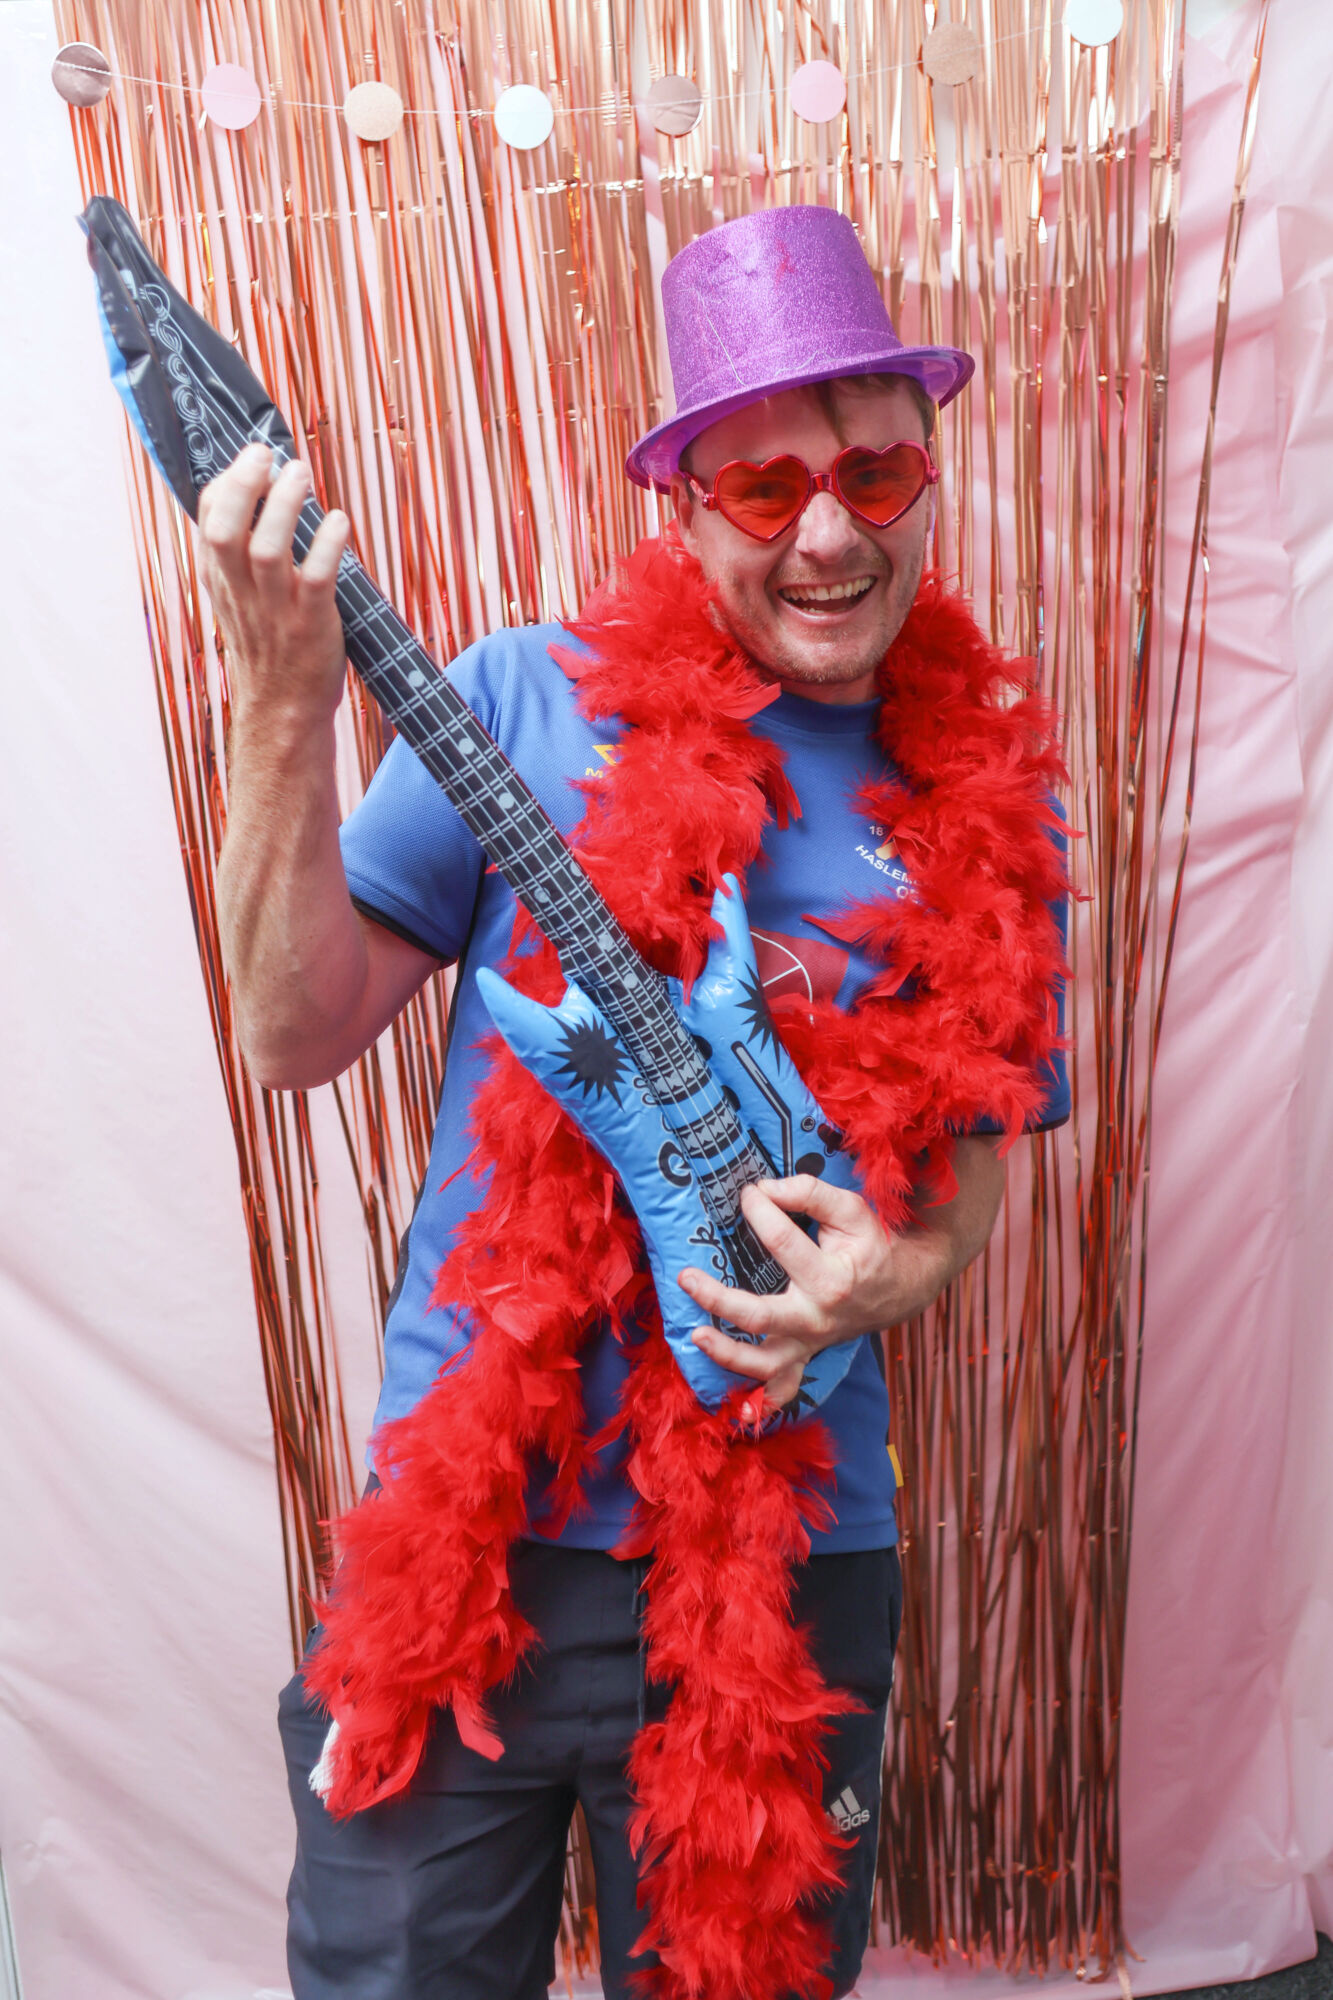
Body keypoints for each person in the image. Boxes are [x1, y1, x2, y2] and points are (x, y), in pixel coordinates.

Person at [198, 205, 1068, 2000]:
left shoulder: (982, 793)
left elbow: (969, 1171)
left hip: (788, 1547)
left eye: (874, 473)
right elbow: (289, 1036)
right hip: (473, 1532)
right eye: (764, 488)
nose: (827, 534)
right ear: (682, 505)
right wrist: (280, 710)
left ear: (924, 476)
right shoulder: (518, 704)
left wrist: (895, 1272)